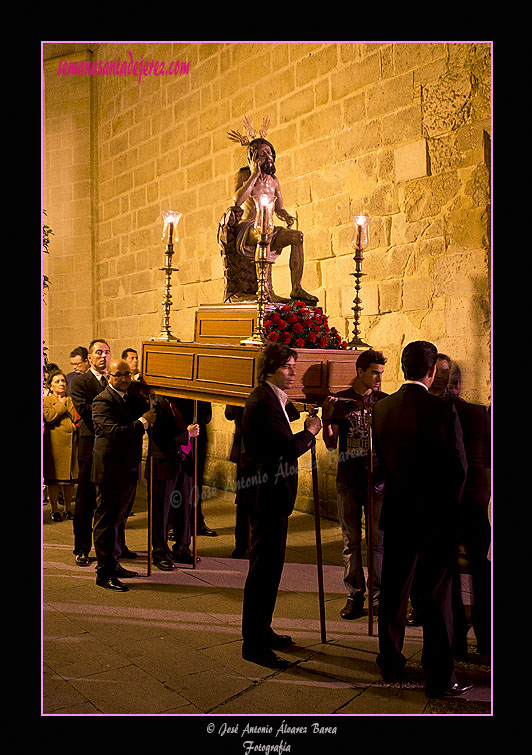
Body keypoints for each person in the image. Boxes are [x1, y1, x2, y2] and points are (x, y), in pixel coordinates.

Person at [371, 340, 471, 698]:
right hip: (434, 519)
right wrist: (448, 509)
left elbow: (380, 462)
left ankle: (390, 663)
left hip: (397, 514)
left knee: (395, 592)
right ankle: (440, 677)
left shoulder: (382, 410)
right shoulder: (442, 411)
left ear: (403, 367)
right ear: (431, 372)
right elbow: (459, 469)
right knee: (436, 596)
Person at [240, 343, 322, 668]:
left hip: (273, 496)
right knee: (262, 571)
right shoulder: (261, 402)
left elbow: (284, 408)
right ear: (271, 368)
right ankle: (253, 644)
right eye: (288, 366)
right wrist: (310, 432)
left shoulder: (269, 396)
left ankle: (263, 629)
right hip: (266, 496)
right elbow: (286, 449)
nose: (293, 372)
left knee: (272, 569)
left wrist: (300, 405)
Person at [220, 118, 318, 304]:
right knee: (263, 231)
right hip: (247, 230)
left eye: (270, 152)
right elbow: (237, 201)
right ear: (253, 158)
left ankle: (296, 288)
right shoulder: (244, 175)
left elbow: (279, 207)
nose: (269, 156)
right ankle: (263, 289)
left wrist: (286, 215)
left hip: (268, 226)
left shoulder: (274, 181)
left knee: (297, 237)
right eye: (263, 153)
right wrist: (254, 174)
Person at [322, 350, 387, 619]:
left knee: (378, 541)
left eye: (382, 373)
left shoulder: (385, 402)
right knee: (350, 540)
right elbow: (330, 443)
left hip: (377, 481)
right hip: (348, 480)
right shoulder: (343, 402)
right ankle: (354, 594)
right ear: (360, 371)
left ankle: (378, 597)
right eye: (374, 372)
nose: (378, 378)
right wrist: (326, 418)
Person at [91, 359, 156, 591]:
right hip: (109, 471)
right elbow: (115, 433)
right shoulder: (101, 401)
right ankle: (103, 573)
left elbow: (148, 404)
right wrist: (143, 422)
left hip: (128, 468)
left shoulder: (129, 398)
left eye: (128, 375)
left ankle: (115, 564)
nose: (125, 379)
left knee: (119, 521)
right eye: (120, 375)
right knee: (106, 522)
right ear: (109, 377)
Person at [69, 340, 111, 566]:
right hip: (90, 445)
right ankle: (82, 548)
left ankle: (114, 546)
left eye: (106, 352)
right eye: (98, 353)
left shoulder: (113, 380)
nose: (103, 356)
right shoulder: (80, 382)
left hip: (112, 448)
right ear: (89, 359)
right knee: (85, 500)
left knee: (111, 500)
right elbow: (86, 411)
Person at [43, 370, 79, 521]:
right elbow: (49, 417)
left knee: (69, 479)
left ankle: (68, 509)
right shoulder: (46, 400)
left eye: (63, 381)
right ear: (51, 385)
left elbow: (78, 417)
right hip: (54, 444)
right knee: (54, 479)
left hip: (71, 444)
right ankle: (54, 510)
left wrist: (75, 426)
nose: (61, 384)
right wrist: (61, 405)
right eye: (57, 381)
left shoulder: (72, 399)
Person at [225, 405, 251, 558]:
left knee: (246, 500)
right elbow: (229, 413)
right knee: (244, 501)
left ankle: (245, 545)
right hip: (245, 451)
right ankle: (243, 546)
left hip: (251, 450)